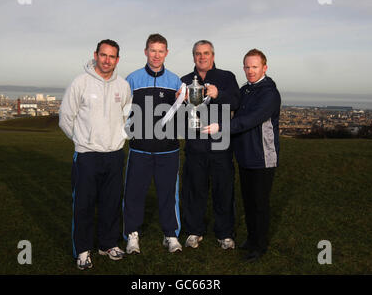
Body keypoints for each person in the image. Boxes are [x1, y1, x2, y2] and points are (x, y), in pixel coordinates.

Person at [59, 39, 132, 270]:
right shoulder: (80, 83)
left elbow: (128, 117)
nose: (107, 60)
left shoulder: (123, 85)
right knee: (84, 204)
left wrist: (120, 139)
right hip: (87, 155)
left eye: (112, 56)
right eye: (103, 55)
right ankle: (83, 250)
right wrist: (82, 141)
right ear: (96, 55)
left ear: (117, 60)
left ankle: (107, 244)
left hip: (114, 154)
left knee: (111, 203)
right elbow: (65, 118)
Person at [202, 48, 281, 262]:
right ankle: (252, 239)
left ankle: (259, 246)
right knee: (248, 201)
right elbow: (235, 108)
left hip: (263, 156)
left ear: (264, 67)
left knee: (259, 204)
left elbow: (249, 120)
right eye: (247, 66)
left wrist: (220, 126)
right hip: (245, 155)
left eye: (254, 66)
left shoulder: (269, 93)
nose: (250, 71)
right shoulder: (246, 90)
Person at [123, 33, 183, 254]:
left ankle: (171, 235)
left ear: (166, 53)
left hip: (169, 149)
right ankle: (132, 235)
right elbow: (123, 112)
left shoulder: (176, 81)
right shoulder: (132, 79)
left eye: (161, 51)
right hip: (139, 149)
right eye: (152, 50)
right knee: (134, 193)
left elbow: (182, 114)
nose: (156, 55)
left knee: (168, 194)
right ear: (146, 51)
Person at [180, 40, 240, 250]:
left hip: (220, 145)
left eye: (206, 53)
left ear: (213, 56)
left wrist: (218, 94)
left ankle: (224, 233)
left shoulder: (226, 77)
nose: (202, 57)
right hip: (195, 145)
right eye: (198, 53)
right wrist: (179, 100)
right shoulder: (185, 80)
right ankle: (194, 231)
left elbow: (236, 102)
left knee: (223, 191)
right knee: (194, 190)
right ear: (193, 56)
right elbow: (177, 115)